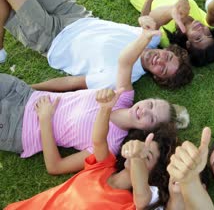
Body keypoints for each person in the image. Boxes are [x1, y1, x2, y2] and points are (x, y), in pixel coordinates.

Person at [0, 27, 188, 175]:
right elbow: (125, 62)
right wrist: (143, 38)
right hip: (22, 94)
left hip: (17, 129)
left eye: (152, 118)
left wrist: (45, 119)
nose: (145, 110)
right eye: (151, 104)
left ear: (148, 131)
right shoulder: (123, 96)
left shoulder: (110, 146)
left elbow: (55, 166)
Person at [0, 0, 193, 90]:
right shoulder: (152, 40)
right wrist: (174, 8)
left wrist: (30, 89)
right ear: (168, 50)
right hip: (75, 14)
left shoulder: (121, 77)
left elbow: (73, 83)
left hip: (52, 37)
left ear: (158, 78)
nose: (160, 61)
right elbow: (153, 17)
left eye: (163, 70)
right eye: (167, 57)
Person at [6, 89, 178, 209]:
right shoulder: (105, 166)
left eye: (146, 157)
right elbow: (98, 141)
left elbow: (143, 199)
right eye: (140, 146)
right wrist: (105, 108)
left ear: (153, 176)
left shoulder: (130, 204)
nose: (137, 153)